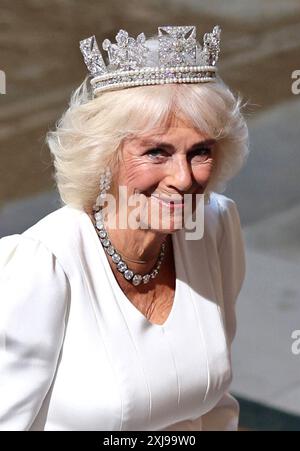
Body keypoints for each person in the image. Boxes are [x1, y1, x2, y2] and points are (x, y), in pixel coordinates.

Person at [0, 25, 249, 431]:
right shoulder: (43, 264)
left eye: (200, 152)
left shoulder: (215, 226)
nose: (183, 179)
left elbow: (215, 404)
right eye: (156, 152)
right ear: (105, 156)